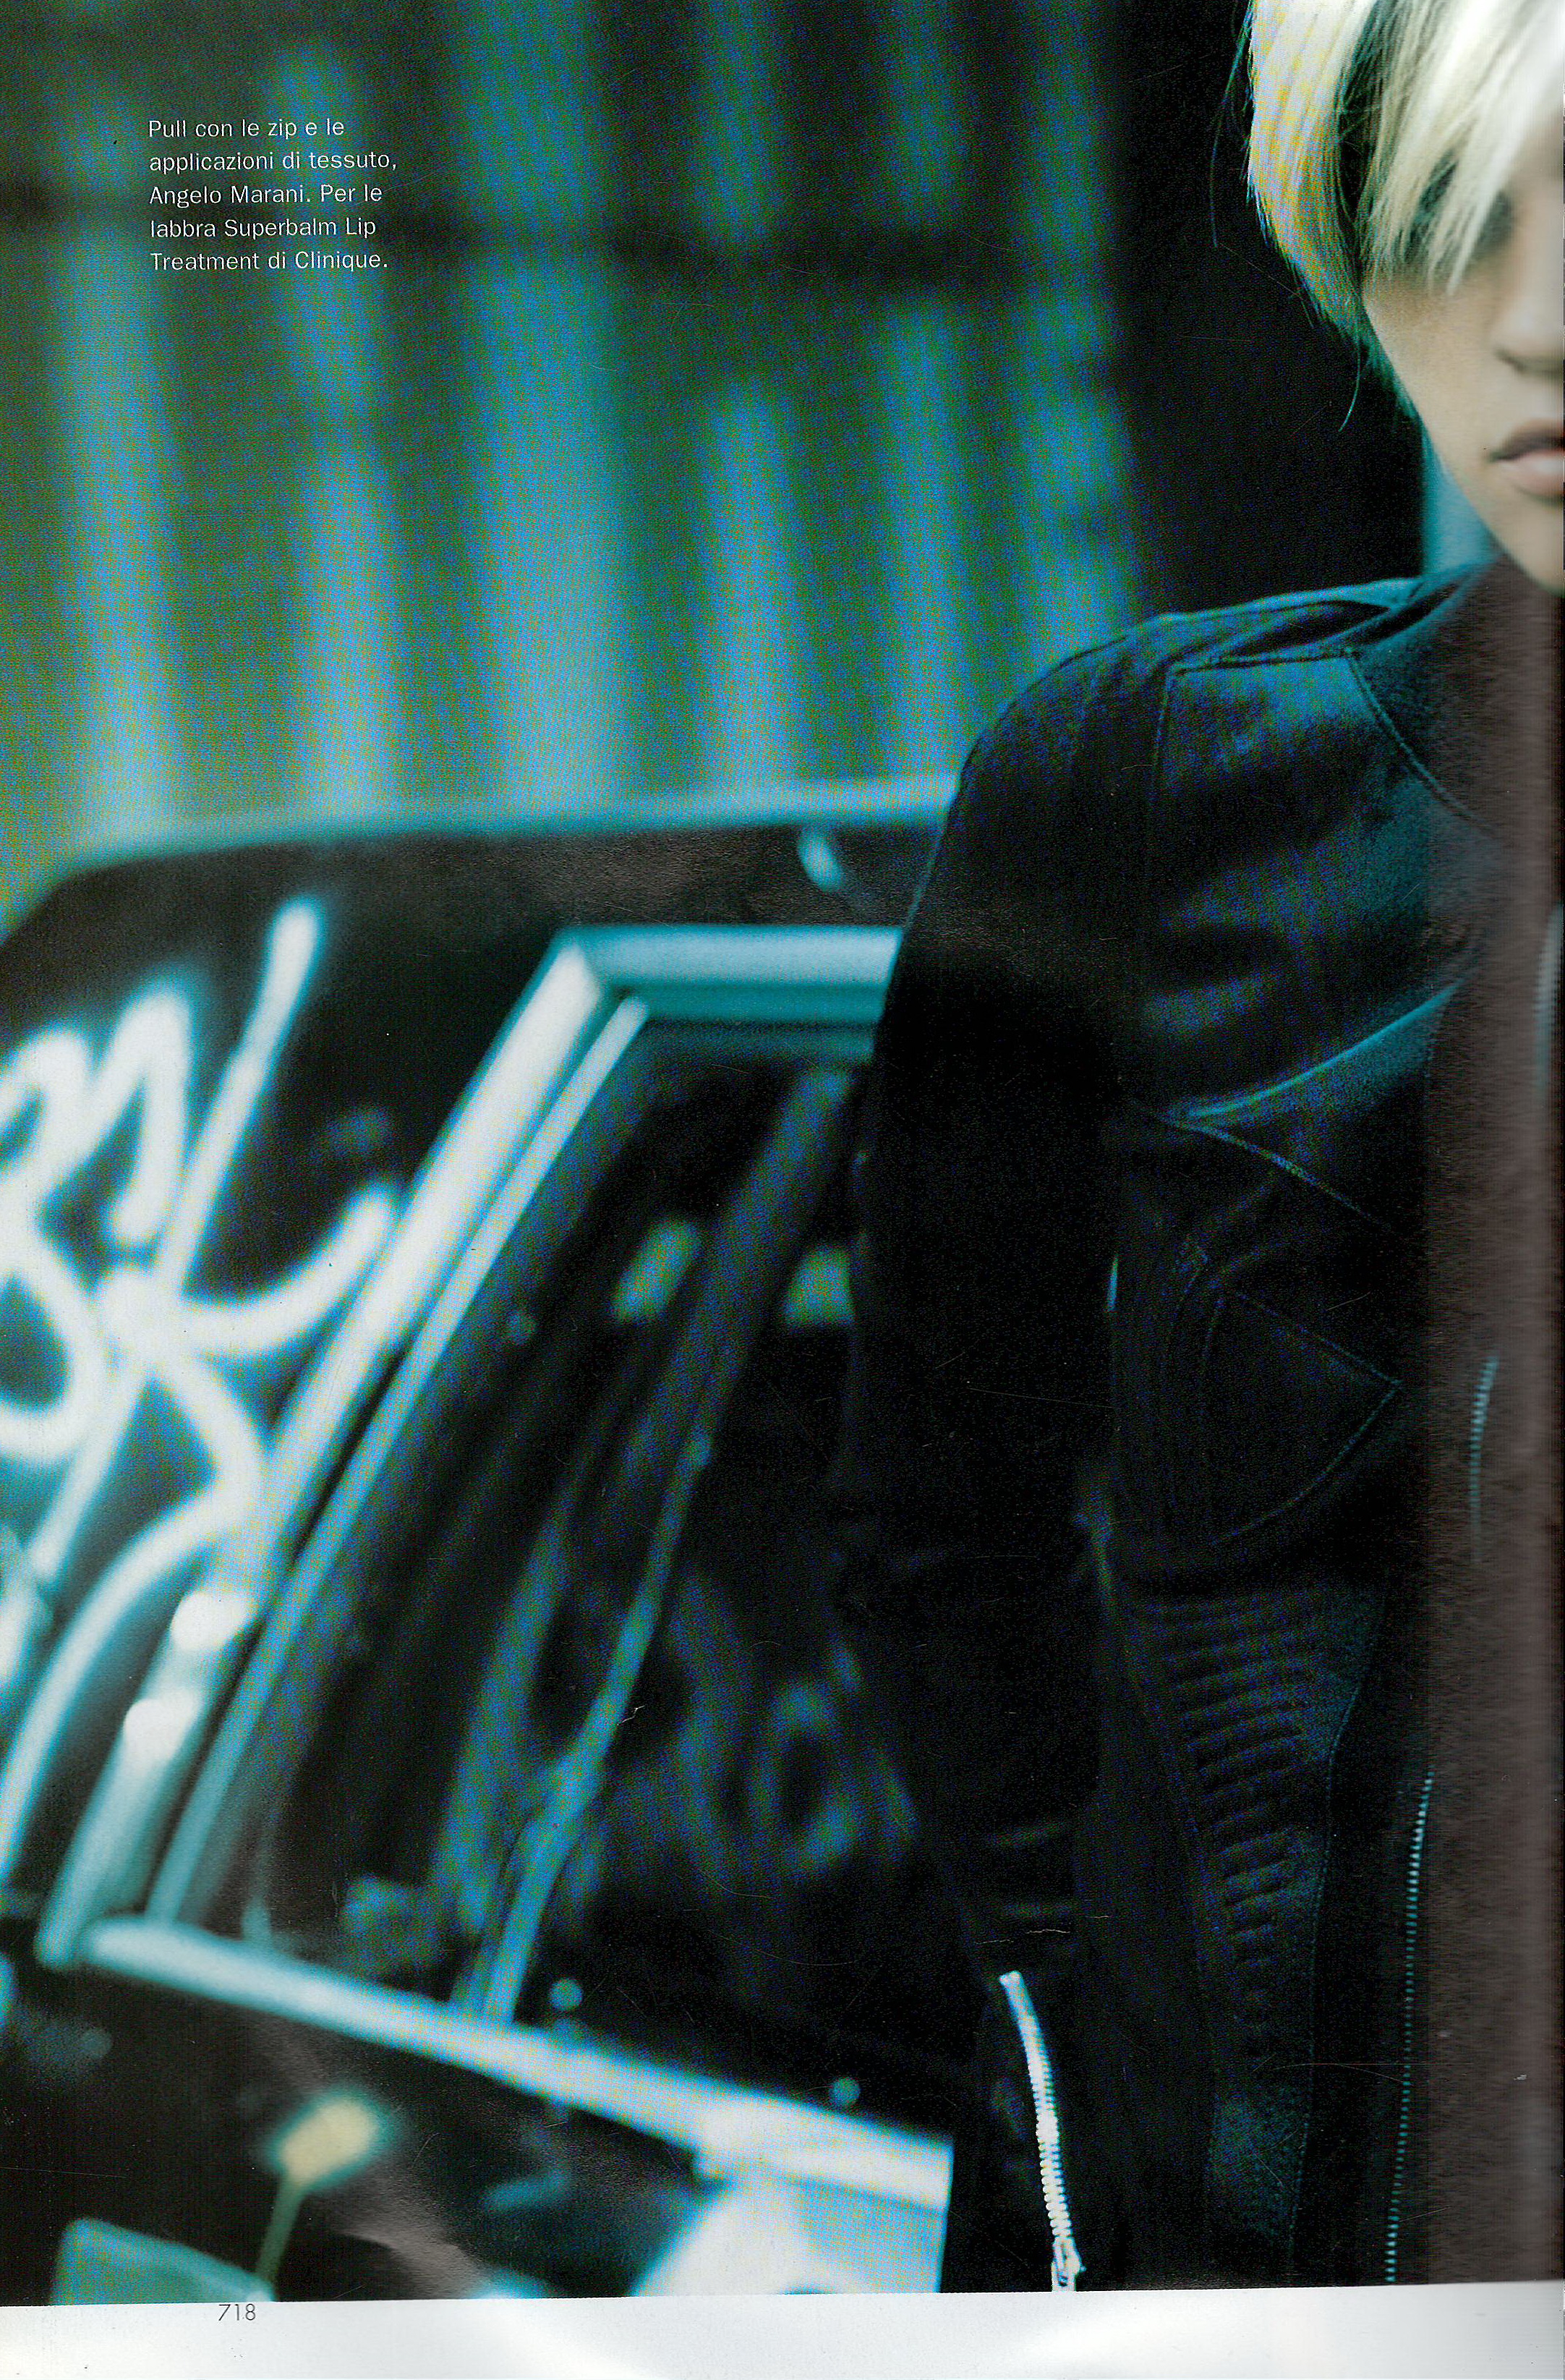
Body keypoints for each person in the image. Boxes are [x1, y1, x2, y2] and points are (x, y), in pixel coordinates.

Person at [832, 0, 1561, 2289]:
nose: (1537, 322)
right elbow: (936, 1525)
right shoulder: (1147, 780)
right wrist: (1066, 2097)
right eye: (1451, 220)